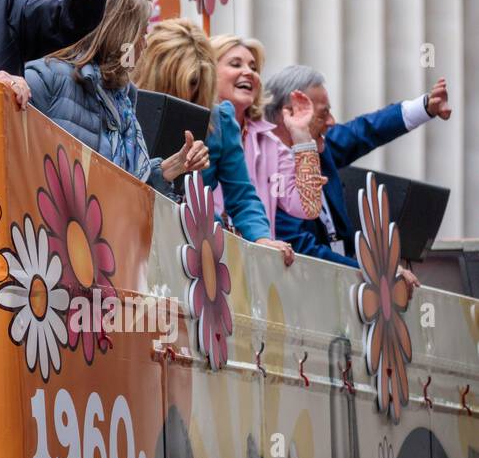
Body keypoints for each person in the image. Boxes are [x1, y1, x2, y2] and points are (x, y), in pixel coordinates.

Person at [133, 18, 295, 265]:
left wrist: (261, 238)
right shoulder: (127, 105)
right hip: (132, 237)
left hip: (198, 250)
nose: (192, 91)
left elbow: (241, 195)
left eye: (199, 83)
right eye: (189, 82)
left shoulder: (220, 120)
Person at [25, 0, 209, 193]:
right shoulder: (46, 77)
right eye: (142, 33)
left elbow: (123, 187)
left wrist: (173, 166)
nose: (144, 44)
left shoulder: (123, 97)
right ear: (121, 34)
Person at [269, 66, 451, 270]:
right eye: (323, 113)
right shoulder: (270, 172)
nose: (331, 122)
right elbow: (301, 249)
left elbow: (364, 131)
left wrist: (425, 107)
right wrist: (373, 271)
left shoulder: (320, 148)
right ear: (292, 113)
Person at [210, 35, 324, 238]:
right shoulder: (196, 126)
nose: (249, 72)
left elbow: (308, 207)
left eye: (253, 68)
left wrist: (301, 134)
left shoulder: (271, 145)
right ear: (208, 72)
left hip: (255, 262)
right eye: (236, 64)